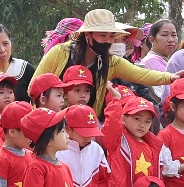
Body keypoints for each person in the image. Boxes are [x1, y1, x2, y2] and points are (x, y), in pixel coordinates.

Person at [33, 9, 176, 113]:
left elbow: (142, 75)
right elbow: (33, 87)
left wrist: (171, 77)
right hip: (54, 122)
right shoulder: (60, 53)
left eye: (112, 36)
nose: (108, 41)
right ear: (87, 35)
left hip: (88, 125)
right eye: (102, 35)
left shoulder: (111, 62)